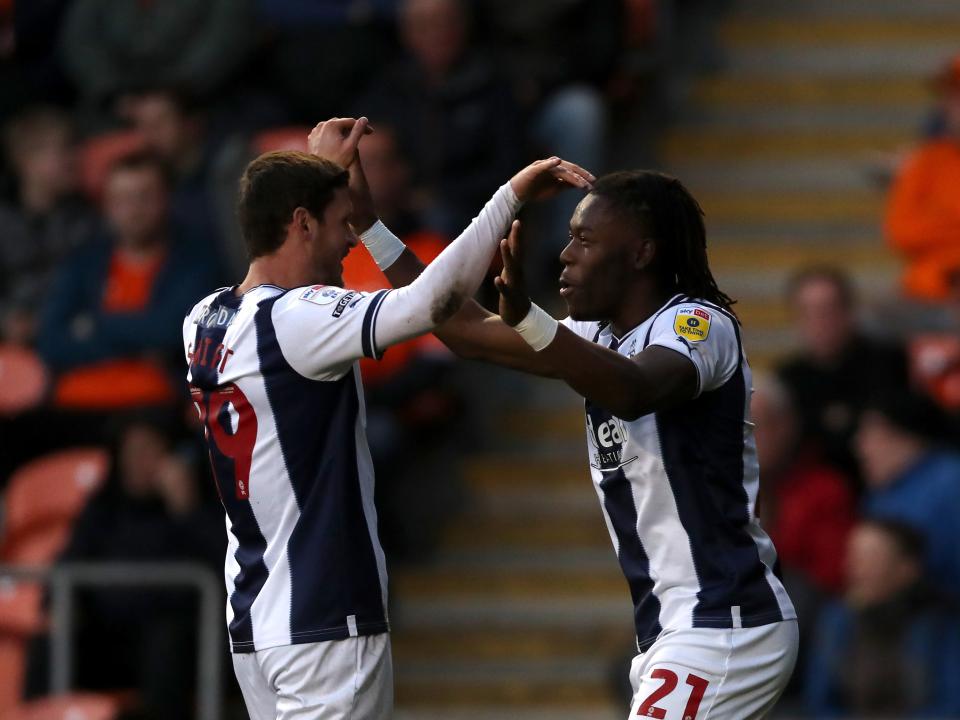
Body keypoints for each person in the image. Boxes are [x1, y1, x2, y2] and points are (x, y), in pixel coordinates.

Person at [182, 117, 590, 719]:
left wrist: (342, 195)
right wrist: (511, 197)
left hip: (255, 617)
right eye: (339, 226)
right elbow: (435, 307)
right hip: (324, 613)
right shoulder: (296, 318)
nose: (348, 244)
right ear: (300, 224)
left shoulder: (203, 319)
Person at [364, 165, 798, 716]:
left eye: (586, 239)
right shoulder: (597, 336)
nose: (566, 254)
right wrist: (368, 227)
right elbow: (464, 331)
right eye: (569, 236)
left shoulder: (699, 324)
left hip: (726, 622)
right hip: (674, 628)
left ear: (641, 254)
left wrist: (529, 321)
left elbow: (634, 389)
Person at [25, 415, 224, 719]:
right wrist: (57, 604)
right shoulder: (104, 507)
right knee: (52, 641)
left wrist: (188, 510)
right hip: (109, 637)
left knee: (165, 644)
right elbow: (70, 562)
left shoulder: (195, 507)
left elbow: (225, 567)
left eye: (148, 451)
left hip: (179, 643)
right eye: (130, 453)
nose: (137, 462)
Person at [37, 151, 212, 410]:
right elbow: (50, 340)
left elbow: (173, 331)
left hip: (154, 407)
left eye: (144, 197)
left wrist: (93, 326)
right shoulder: (83, 262)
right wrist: (140, 345)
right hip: (73, 409)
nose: (134, 210)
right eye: (121, 200)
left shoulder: (196, 260)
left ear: (166, 198)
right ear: (106, 206)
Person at [806, 519, 960, 717]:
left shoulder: (940, 624)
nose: (855, 568)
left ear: (907, 569)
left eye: (871, 558)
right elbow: (819, 703)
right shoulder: (837, 620)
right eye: (853, 556)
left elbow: (951, 704)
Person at [776, 267, 909, 485]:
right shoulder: (787, 378)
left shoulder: (890, 364)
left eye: (828, 310)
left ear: (849, 312)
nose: (819, 322)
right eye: (807, 312)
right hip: (816, 497)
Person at [0, 106, 98, 344]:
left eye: (73, 148)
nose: (74, 159)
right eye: (63, 150)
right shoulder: (4, 220)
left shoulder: (89, 217)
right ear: (26, 160)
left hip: (71, 336)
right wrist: (6, 319)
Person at [854, 389, 960, 595]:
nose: (860, 447)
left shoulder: (950, 483)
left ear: (905, 437)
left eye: (871, 435)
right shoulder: (879, 494)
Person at [886, 52, 960, 301]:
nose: (952, 105)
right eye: (950, 96)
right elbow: (901, 232)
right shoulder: (926, 161)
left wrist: (941, 222)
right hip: (931, 294)